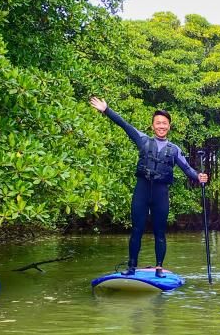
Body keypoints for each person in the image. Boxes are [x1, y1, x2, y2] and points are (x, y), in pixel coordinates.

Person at [89, 97, 208, 277]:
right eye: (158, 123)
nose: (161, 126)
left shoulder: (174, 149)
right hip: (142, 191)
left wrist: (199, 177)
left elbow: (187, 168)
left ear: (169, 126)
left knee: (160, 232)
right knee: (136, 229)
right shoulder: (143, 140)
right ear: (152, 126)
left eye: (164, 123)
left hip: (161, 193)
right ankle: (131, 267)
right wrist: (106, 110)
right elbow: (125, 125)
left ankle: (159, 267)